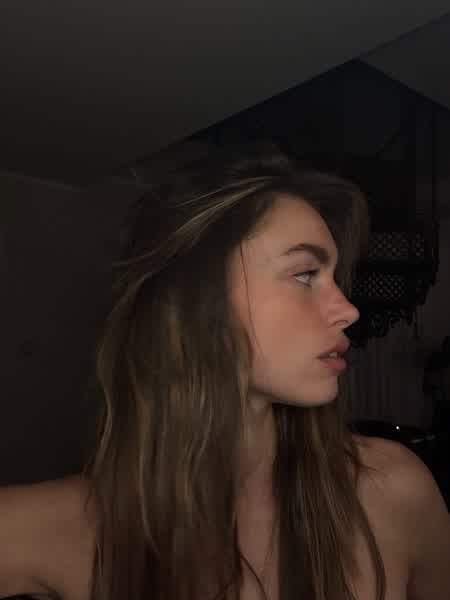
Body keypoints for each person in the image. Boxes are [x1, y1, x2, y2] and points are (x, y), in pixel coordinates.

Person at [1, 142, 449, 600]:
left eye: (336, 279)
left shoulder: (394, 491)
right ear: (196, 298)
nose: (349, 310)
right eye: (305, 274)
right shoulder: (58, 528)